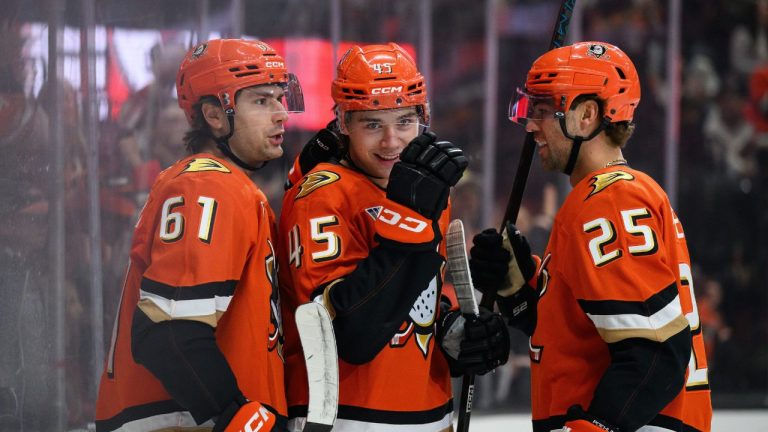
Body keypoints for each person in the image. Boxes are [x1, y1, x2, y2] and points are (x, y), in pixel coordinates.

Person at [469, 42, 712, 432]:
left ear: (586, 115)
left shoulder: (610, 201)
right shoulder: (602, 198)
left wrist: (591, 428)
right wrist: (519, 294)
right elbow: (583, 342)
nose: (531, 125)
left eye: (544, 111)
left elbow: (656, 353)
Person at [278, 43, 509, 431]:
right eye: (372, 124)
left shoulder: (428, 191)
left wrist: (454, 333)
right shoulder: (320, 194)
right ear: (342, 123)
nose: (391, 142)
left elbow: (414, 303)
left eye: (404, 122)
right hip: (348, 419)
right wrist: (411, 224)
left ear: (424, 118)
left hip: (432, 414)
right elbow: (344, 334)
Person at [95, 38, 305, 432]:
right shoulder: (208, 186)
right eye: (261, 101)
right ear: (213, 115)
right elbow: (168, 331)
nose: (281, 115)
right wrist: (246, 419)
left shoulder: (228, 187)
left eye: (280, 98)